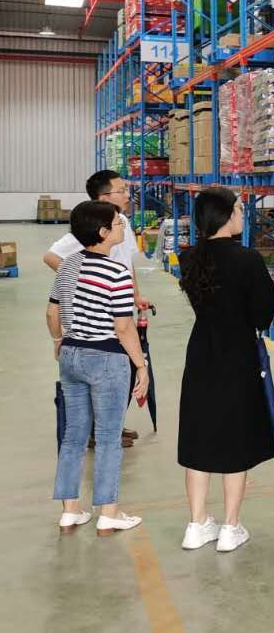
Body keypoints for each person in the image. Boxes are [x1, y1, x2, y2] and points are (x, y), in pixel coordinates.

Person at [176, 187, 274, 553]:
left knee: (198, 436)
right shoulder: (246, 259)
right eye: (238, 208)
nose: (242, 213)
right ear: (225, 215)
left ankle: (196, 523)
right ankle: (230, 527)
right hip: (238, 355)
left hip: (201, 353)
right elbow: (266, 307)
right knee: (235, 439)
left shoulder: (188, 258)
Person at [48, 201, 148, 535]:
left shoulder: (68, 266)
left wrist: (58, 340)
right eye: (118, 223)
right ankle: (109, 512)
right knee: (107, 437)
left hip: (71, 354)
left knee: (73, 435)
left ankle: (70, 511)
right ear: (103, 232)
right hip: (105, 357)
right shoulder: (116, 273)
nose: (123, 227)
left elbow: (52, 312)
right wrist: (141, 365)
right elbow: (124, 327)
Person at [44, 170, 149, 446]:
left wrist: (135, 294)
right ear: (104, 198)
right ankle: (97, 432)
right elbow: (50, 256)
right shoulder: (93, 225)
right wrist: (88, 281)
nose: (127, 195)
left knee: (124, 373)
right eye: (121, 190)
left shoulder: (122, 223)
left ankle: (113, 424)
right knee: (108, 372)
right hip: (103, 318)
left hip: (120, 303)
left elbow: (127, 262)